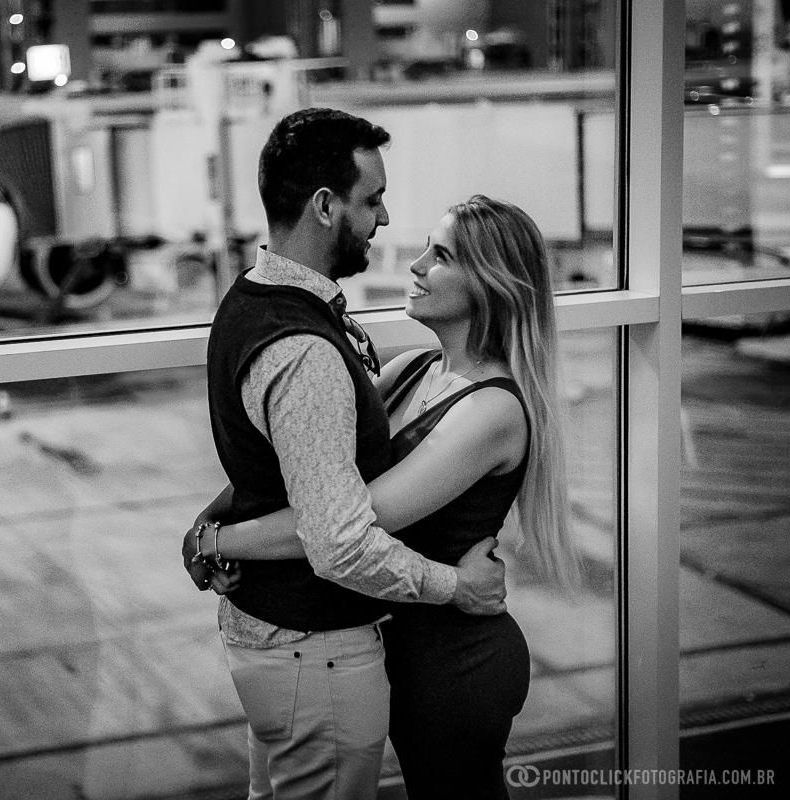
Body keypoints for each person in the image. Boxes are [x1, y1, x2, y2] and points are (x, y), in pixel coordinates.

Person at [193, 194, 582, 799]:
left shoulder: (492, 411)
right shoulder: (412, 369)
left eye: (441, 255)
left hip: (453, 659)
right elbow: (309, 467)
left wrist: (217, 540)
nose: (416, 265)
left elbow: (344, 523)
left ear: (490, 284)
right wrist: (208, 521)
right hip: (395, 644)